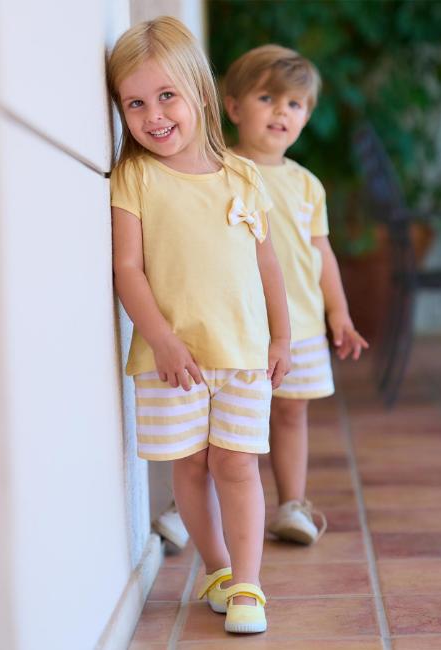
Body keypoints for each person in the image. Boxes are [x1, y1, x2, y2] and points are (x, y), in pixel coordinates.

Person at [107, 18, 291, 634]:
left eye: (166, 96)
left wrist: (282, 335)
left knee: (236, 465)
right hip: (170, 359)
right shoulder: (135, 176)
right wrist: (159, 336)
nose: (153, 115)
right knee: (187, 466)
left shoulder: (242, 176)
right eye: (134, 103)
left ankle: (248, 583)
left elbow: (269, 266)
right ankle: (215, 567)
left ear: (202, 97)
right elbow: (127, 269)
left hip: (242, 354)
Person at [224, 45, 368, 545]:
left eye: (294, 104)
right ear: (234, 107)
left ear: (306, 116)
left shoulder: (308, 185)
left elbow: (321, 254)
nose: (282, 112)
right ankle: (200, 504)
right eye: (268, 98)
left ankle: (290, 505)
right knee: (226, 418)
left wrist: (339, 314)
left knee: (291, 411)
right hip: (237, 323)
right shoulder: (220, 171)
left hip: (302, 322)